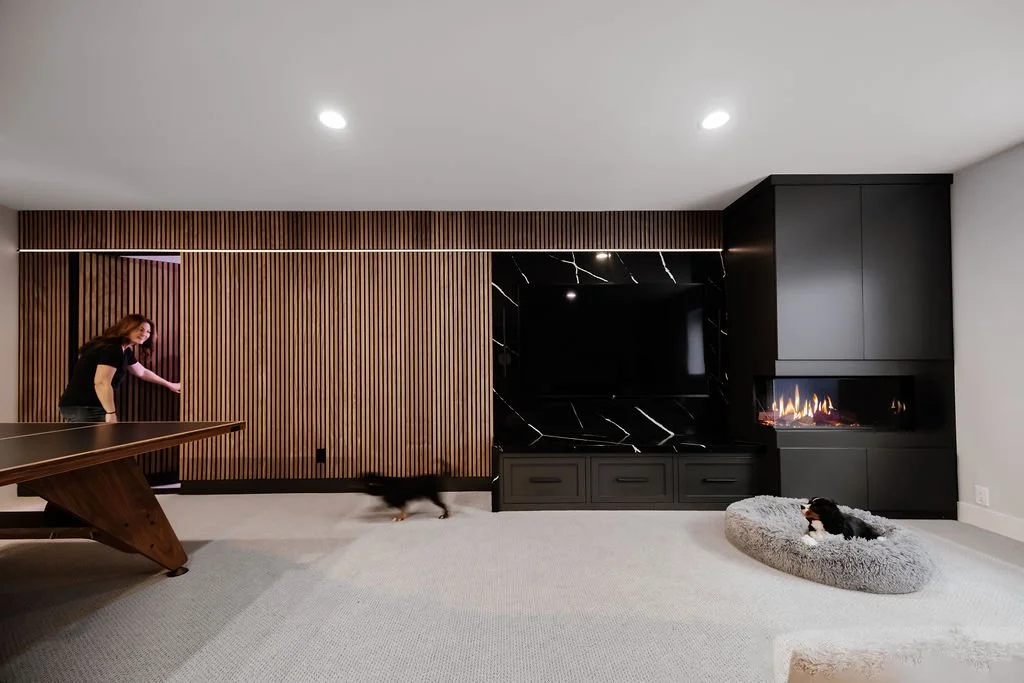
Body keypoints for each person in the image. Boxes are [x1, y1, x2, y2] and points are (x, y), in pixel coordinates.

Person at [58, 314, 182, 423]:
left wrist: (170, 384)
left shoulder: (124, 350)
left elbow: (141, 372)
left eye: (148, 332)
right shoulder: (113, 349)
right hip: (85, 407)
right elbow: (101, 382)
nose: (145, 334)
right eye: (140, 329)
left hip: (84, 406)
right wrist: (111, 413)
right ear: (127, 328)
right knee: (95, 448)